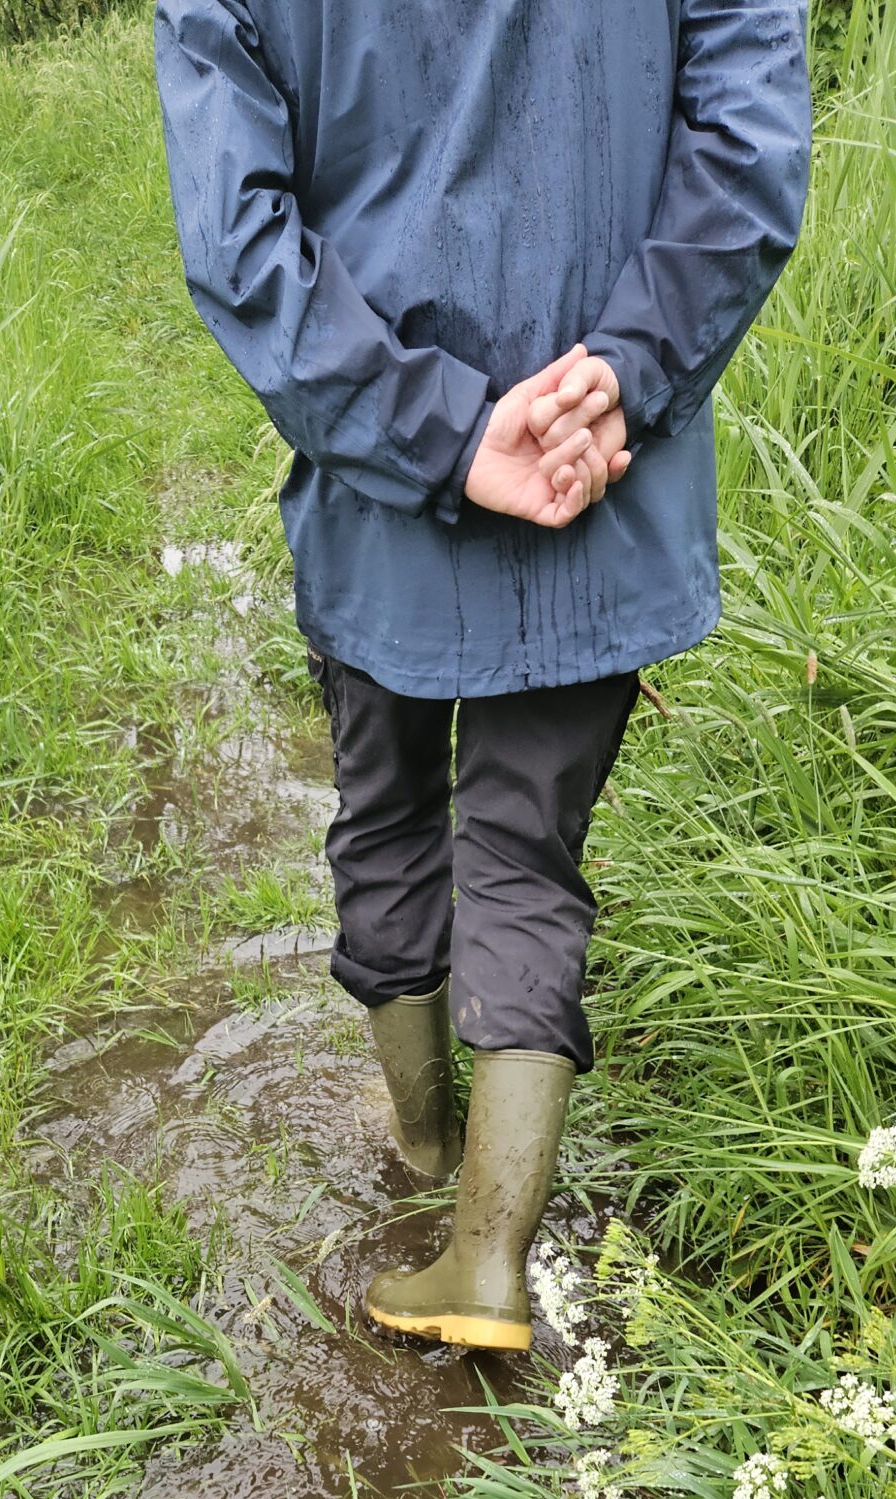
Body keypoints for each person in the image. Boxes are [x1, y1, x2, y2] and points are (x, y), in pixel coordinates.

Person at [154, 0, 812, 1350]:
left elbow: (237, 237)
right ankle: (489, 1256)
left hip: (381, 496)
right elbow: (746, 152)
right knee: (523, 849)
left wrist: (438, 433)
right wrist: (613, 385)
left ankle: (418, 1142)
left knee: (386, 805)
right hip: (600, 479)